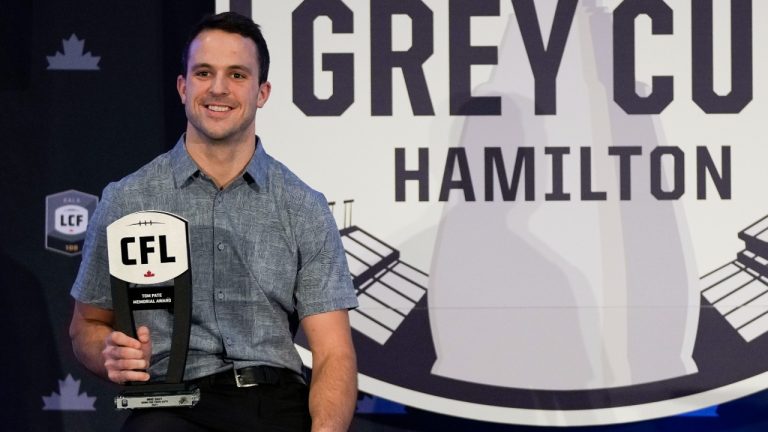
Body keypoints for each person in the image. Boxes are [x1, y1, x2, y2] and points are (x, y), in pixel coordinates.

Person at [69, 11, 359, 432]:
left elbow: (334, 353)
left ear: (262, 92)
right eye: (204, 73)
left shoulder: (303, 207)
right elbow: (88, 325)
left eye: (237, 75)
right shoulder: (128, 199)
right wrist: (107, 352)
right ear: (183, 87)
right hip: (171, 404)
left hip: (274, 404)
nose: (218, 88)